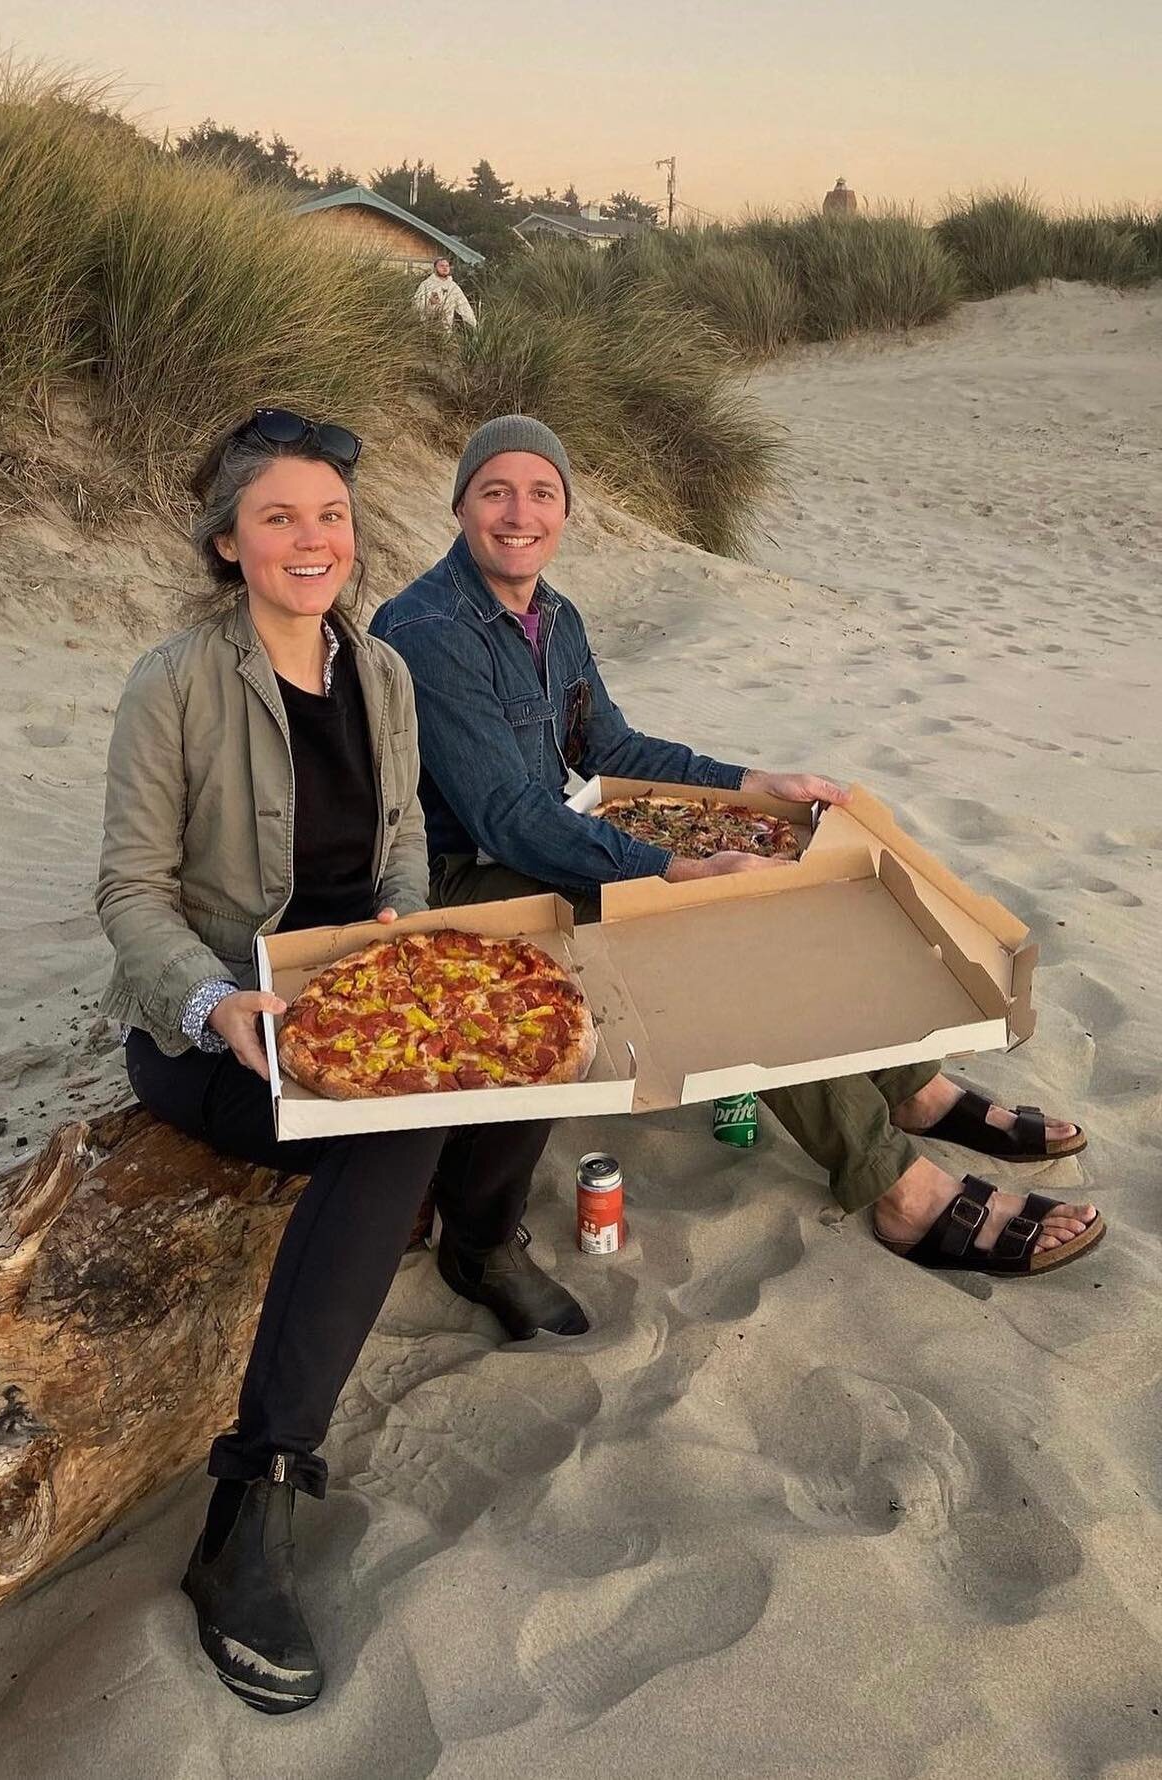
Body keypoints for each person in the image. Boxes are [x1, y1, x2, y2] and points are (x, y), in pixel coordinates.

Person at [95, 407, 585, 1716]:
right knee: (393, 1124)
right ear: (227, 543)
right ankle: (249, 1505)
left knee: (517, 1024)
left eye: (330, 516)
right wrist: (214, 1002)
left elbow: (405, 859)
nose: (314, 540)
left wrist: (400, 928)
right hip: (214, 1029)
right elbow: (131, 895)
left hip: (350, 991)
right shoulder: (176, 683)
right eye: (279, 518)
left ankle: (483, 1244)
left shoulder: (380, 676)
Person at [372, 416, 1103, 1281]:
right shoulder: (432, 631)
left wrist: (758, 782)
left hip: (540, 841)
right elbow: (504, 816)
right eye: (495, 491)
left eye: (542, 493)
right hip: (465, 879)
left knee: (789, 887)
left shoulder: (553, 614)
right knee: (709, 934)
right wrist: (672, 870)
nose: (518, 512)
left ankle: (912, 1088)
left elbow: (610, 751)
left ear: (566, 510)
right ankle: (899, 1192)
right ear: (459, 506)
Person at [412, 256, 477, 332]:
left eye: (447, 266)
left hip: (447, 329)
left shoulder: (453, 286)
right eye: (441, 266)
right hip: (428, 328)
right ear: (435, 268)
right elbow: (416, 305)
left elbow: (464, 306)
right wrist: (430, 303)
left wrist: (473, 324)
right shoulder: (426, 285)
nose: (445, 268)